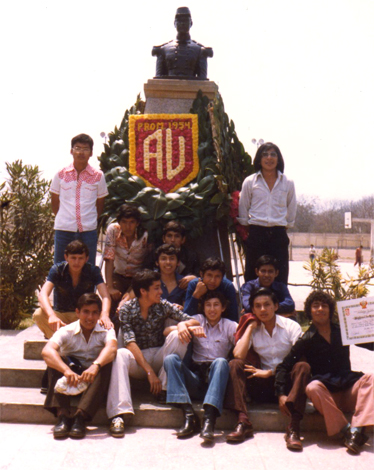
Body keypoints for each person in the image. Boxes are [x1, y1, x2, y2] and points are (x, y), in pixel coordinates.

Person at [275, 290, 374, 454]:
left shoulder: (342, 331)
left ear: (330, 309)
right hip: (327, 398)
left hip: (349, 391)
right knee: (312, 387)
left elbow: (370, 345)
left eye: (324, 305)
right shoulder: (306, 339)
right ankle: (346, 431)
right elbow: (283, 367)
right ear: (309, 311)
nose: (320, 309)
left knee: (371, 378)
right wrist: (280, 394)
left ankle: (357, 429)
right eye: (316, 306)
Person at [106, 270, 200, 438]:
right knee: (120, 354)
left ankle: (164, 388)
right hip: (138, 359)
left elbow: (194, 321)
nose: (161, 292)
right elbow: (129, 342)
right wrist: (149, 371)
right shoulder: (127, 309)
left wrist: (181, 325)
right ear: (143, 291)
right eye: (156, 288)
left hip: (159, 357)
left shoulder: (162, 305)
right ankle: (118, 414)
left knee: (178, 335)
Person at [225, 288, 306, 450]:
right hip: (263, 385)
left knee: (303, 366)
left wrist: (272, 372)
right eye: (258, 306)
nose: (263, 309)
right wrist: (249, 328)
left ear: (276, 306)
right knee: (235, 364)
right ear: (253, 310)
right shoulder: (254, 329)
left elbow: (299, 356)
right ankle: (243, 421)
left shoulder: (291, 327)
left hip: (286, 384)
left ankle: (294, 427)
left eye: (267, 305)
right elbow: (238, 355)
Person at [164, 291, 238, 442]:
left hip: (216, 379)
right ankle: (188, 415)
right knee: (170, 359)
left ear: (223, 308)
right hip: (196, 378)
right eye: (208, 305)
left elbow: (242, 347)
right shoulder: (197, 320)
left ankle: (209, 420)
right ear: (203, 308)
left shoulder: (230, 326)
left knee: (221, 362)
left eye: (216, 305)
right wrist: (184, 327)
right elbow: (166, 331)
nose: (212, 309)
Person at [42, 293, 117, 439]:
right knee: (56, 361)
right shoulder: (66, 331)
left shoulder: (106, 329)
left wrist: (95, 366)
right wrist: (66, 370)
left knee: (106, 363)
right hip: (70, 378)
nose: (90, 317)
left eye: (95, 312)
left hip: (93, 381)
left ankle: (80, 417)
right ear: (77, 312)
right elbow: (47, 351)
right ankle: (62, 415)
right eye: (86, 312)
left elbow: (112, 349)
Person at [238, 142, 296, 284]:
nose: (269, 158)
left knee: (280, 276)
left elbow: (292, 206)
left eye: (273, 154)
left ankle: (279, 305)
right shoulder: (250, 182)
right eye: (265, 154)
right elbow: (243, 207)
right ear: (259, 159)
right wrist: (250, 227)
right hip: (257, 234)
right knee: (252, 274)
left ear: (279, 159)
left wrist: (283, 225)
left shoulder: (287, 182)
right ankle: (251, 304)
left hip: (278, 235)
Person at [33, 240, 112, 340]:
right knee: (39, 314)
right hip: (62, 316)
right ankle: (67, 341)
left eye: (80, 258)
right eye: (73, 258)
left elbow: (105, 296)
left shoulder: (93, 271)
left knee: (102, 321)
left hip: (84, 316)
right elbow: (42, 295)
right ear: (66, 257)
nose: (76, 262)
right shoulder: (57, 270)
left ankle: (67, 341)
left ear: (86, 259)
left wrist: (105, 314)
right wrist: (52, 315)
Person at [50, 133, 108, 266]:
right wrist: (65, 218)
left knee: (88, 269)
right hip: (64, 229)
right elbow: (54, 204)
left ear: (91, 153)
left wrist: (89, 219)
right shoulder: (60, 174)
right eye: (77, 148)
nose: (81, 152)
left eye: (85, 149)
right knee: (60, 267)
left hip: (88, 230)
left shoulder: (98, 176)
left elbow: (100, 205)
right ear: (71, 151)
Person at [104, 204, 150, 317]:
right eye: (124, 222)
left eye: (131, 222)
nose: (128, 226)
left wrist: (131, 292)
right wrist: (110, 287)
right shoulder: (113, 230)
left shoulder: (144, 235)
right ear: (119, 222)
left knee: (128, 304)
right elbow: (109, 258)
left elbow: (148, 262)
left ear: (137, 223)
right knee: (110, 300)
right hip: (118, 275)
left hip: (137, 278)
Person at [152, 7, 213, 80]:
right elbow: (157, 82)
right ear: (175, 23)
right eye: (179, 21)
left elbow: (203, 83)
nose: (182, 24)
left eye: (185, 21)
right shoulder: (163, 50)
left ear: (191, 23)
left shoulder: (200, 50)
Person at [184, 257, 238, 322]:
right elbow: (186, 317)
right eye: (209, 275)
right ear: (201, 274)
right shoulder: (194, 285)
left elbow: (233, 317)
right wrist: (196, 295)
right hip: (198, 325)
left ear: (222, 277)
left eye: (217, 276)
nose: (212, 280)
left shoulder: (227, 287)